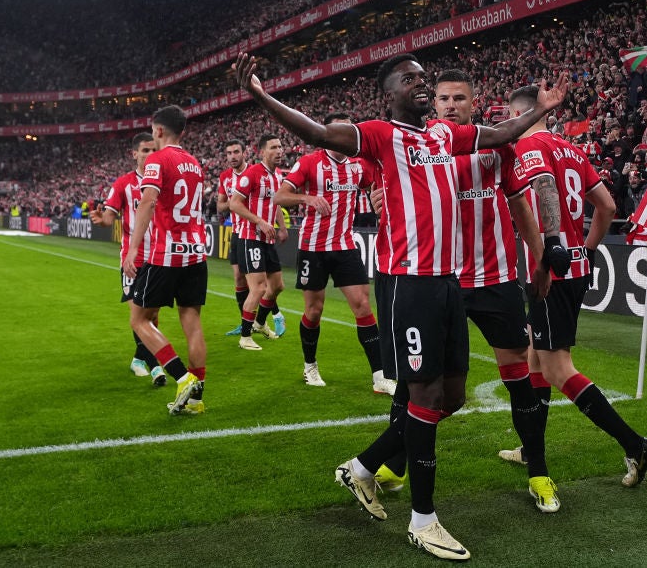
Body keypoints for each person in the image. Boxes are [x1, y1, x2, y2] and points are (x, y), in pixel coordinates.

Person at [234, 51, 568, 561]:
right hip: (410, 286)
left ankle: (363, 469)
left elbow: (499, 135)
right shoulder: (379, 135)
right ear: (389, 93)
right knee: (426, 393)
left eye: (423, 77)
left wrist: (539, 110)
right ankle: (424, 520)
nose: (422, 83)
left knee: (451, 397)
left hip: (449, 285)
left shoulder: (441, 136)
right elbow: (319, 133)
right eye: (410, 79)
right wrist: (261, 96)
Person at [378, 68, 559, 512]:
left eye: (460, 98)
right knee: (416, 383)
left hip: (495, 278)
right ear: (433, 104)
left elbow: (519, 204)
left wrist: (539, 258)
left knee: (520, 378)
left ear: (473, 104)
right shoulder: (421, 146)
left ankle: (538, 471)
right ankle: (396, 464)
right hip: (441, 281)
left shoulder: (497, 148)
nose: (451, 105)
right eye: (444, 98)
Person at [498, 85, 647, 491]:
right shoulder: (572, 149)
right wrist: (585, 250)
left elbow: (544, 191)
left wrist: (556, 251)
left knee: (555, 367)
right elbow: (606, 206)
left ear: (521, 113)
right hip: (573, 266)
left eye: (509, 114)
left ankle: (634, 443)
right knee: (536, 358)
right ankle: (531, 448)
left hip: (547, 271)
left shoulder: (528, 147)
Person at [273, 112, 396, 394]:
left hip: (344, 245)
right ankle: (310, 366)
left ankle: (380, 376)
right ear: (328, 132)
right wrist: (307, 198)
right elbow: (280, 196)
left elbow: (376, 184)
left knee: (363, 307)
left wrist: (377, 198)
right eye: (337, 130)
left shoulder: (358, 165)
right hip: (313, 248)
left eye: (347, 130)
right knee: (314, 311)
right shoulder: (309, 162)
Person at [122, 105, 209, 416]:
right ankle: (197, 400)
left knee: (139, 319)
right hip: (197, 253)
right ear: (181, 131)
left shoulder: (157, 160)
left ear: (158, 131)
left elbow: (147, 202)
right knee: (192, 322)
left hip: (166, 254)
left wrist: (133, 249)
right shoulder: (194, 163)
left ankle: (181, 377)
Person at [89, 132, 166, 387]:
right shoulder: (123, 184)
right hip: (132, 260)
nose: (149, 155)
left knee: (152, 315)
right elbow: (110, 217)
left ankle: (137, 359)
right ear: (134, 154)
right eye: (145, 151)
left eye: (153, 150)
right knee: (139, 314)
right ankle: (157, 368)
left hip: (159, 257)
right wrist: (102, 220)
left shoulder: (164, 180)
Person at [229, 134, 289, 350]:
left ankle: (260, 323)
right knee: (259, 288)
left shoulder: (278, 175)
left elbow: (276, 203)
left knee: (277, 286)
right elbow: (234, 204)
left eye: (281, 146)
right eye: (274, 147)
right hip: (250, 237)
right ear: (261, 151)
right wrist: (260, 221)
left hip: (267, 239)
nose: (280, 150)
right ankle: (245, 336)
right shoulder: (252, 174)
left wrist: (281, 227)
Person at [216, 139, 251, 336]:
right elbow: (220, 207)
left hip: (254, 232)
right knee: (239, 278)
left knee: (260, 283)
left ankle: (262, 320)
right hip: (237, 232)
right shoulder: (225, 177)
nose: (232, 156)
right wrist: (234, 202)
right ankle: (244, 323)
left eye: (236, 152)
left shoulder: (254, 173)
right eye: (229, 153)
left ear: (244, 153)